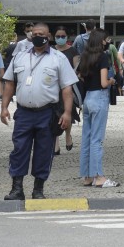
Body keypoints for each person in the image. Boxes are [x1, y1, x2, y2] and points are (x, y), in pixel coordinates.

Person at [0, 22, 78, 200]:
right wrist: (4, 108)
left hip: (47, 113)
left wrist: (67, 113)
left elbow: (67, 89)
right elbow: (9, 83)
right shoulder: (19, 57)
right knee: (19, 149)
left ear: (48, 36)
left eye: (41, 33)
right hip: (24, 113)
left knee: (44, 151)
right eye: (34, 33)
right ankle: (17, 189)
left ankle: (38, 189)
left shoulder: (58, 58)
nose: (37, 36)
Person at [77, 30, 119, 188]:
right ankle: (99, 176)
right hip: (99, 97)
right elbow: (103, 83)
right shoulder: (103, 57)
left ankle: (87, 176)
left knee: (87, 138)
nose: (107, 41)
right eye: (105, 39)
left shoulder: (85, 56)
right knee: (97, 140)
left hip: (87, 98)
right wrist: (111, 81)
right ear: (101, 41)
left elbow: (80, 75)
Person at [53, 26, 78, 155]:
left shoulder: (72, 51)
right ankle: (55, 141)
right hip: (53, 87)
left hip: (68, 86)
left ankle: (68, 135)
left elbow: (76, 69)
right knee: (54, 114)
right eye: (58, 36)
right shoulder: (51, 51)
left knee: (68, 112)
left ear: (67, 37)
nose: (60, 38)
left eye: (63, 36)